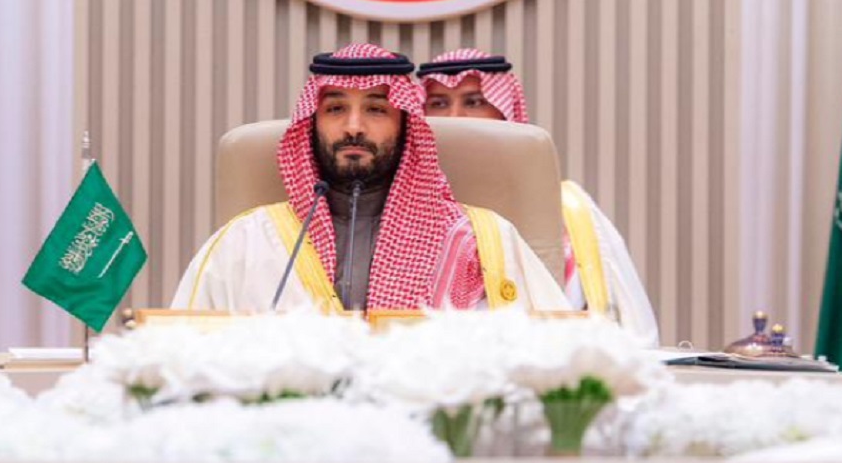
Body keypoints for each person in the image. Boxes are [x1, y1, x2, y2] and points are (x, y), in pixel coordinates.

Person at [173, 44, 565, 313]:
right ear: (311, 123)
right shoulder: (246, 242)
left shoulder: (479, 241)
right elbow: (184, 353)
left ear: (406, 126)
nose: (353, 127)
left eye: (376, 109)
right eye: (335, 109)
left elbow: (549, 352)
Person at [418, 48, 659, 345]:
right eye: (438, 104)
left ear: (505, 111)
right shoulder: (397, 212)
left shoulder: (572, 210)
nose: (455, 117)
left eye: (474, 102)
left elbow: (628, 324)